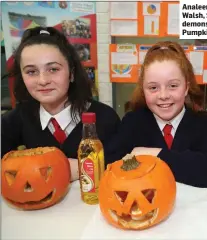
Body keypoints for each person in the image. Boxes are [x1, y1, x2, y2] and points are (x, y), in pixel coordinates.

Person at [1, 26, 121, 181]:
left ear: (71, 73)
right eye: (31, 72)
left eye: (53, 69)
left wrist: (80, 169)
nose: (43, 80)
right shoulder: (16, 119)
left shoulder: (105, 118)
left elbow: (119, 167)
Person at [108, 41, 207, 188]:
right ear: (143, 91)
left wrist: (156, 154)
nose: (163, 95)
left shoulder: (205, 123)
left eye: (173, 86)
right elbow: (111, 164)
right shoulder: (132, 122)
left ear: (186, 88)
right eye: (153, 87)